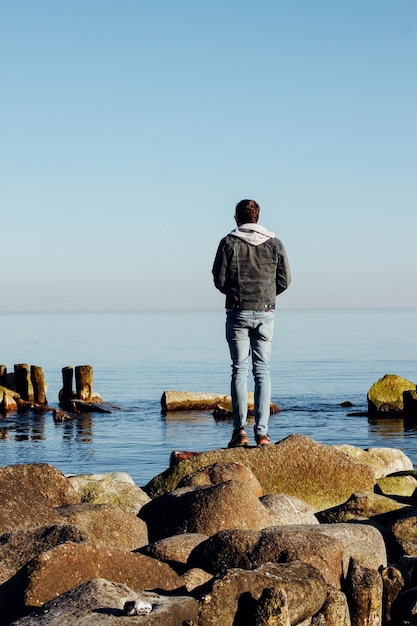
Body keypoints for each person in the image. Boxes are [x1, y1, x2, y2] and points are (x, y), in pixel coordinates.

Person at [212, 199, 291, 447]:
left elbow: (219, 279)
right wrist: (266, 295)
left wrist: (237, 294)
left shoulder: (228, 243)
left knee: (239, 370)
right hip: (266, 312)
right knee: (263, 372)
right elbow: (285, 280)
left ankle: (240, 432)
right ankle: (262, 433)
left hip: (238, 311)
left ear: (237, 218)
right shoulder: (275, 243)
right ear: (257, 217)